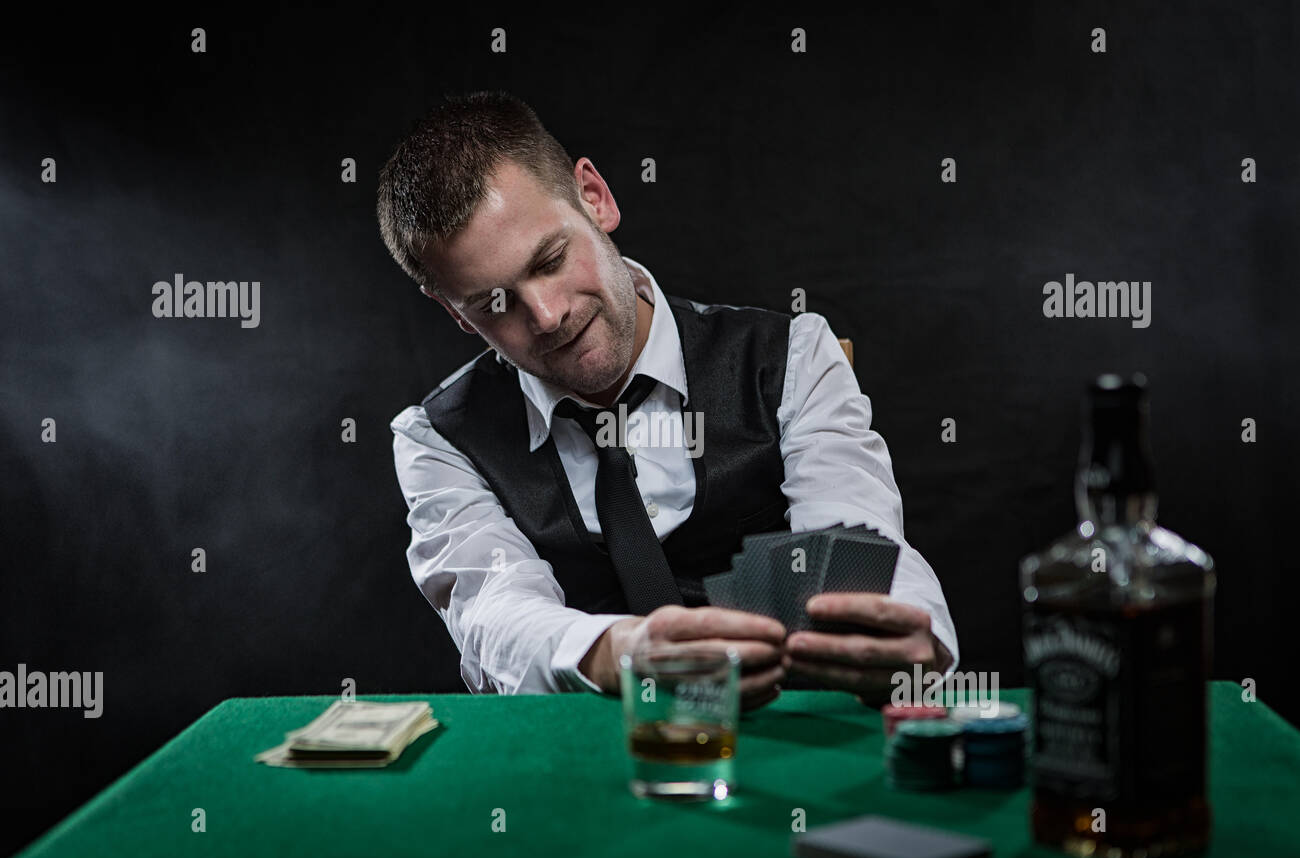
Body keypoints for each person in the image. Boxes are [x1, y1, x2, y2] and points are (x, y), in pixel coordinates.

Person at [378, 91, 957, 710]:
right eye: (495, 303)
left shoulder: (791, 357)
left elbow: (860, 544)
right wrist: (626, 653)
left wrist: (904, 631)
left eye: (549, 260)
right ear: (454, 313)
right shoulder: (437, 439)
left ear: (594, 198)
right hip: (580, 767)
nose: (546, 316)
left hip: (789, 753)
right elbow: (493, 613)